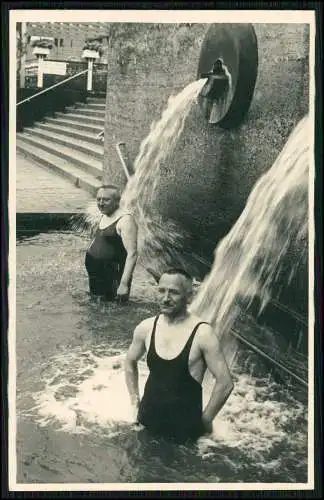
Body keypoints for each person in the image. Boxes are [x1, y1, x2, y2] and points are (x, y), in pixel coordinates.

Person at [124, 268, 234, 443]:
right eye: (162, 291)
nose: (165, 298)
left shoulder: (202, 334)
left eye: (174, 292)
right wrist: (134, 400)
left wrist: (206, 419)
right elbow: (130, 361)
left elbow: (225, 382)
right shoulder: (146, 328)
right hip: (146, 423)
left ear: (189, 297)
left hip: (185, 435)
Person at [85, 184, 138, 302]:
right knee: (96, 307)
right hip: (98, 273)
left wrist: (123, 284)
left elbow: (132, 254)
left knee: (114, 311)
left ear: (117, 201)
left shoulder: (125, 220)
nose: (101, 203)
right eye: (98, 199)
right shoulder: (105, 214)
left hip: (114, 274)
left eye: (106, 200)